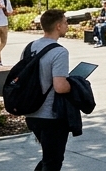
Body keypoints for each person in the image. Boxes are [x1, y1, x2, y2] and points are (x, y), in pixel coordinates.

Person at [25, 9, 73, 171]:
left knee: (49, 158)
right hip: (51, 116)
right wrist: (76, 83)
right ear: (58, 26)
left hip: (31, 113)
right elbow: (60, 87)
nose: (68, 25)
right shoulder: (59, 52)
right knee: (53, 161)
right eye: (66, 22)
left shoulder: (30, 47)